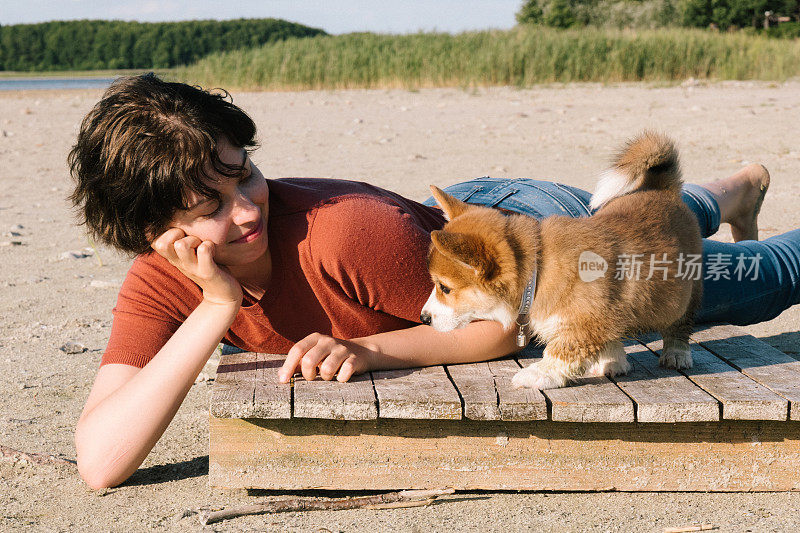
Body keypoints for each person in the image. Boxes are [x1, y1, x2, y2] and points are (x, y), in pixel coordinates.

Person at [69, 73, 800, 489]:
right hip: (441, 228)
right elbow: (102, 460)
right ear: (153, 236)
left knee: (739, 279)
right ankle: (729, 190)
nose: (247, 206)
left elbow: (505, 327)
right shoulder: (160, 281)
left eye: (246, 174)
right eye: (211, 206)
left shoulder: (341, 233)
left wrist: (377, 351)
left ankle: (724, 203)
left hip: (516, 252)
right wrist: (215, 307)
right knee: (643, 213)